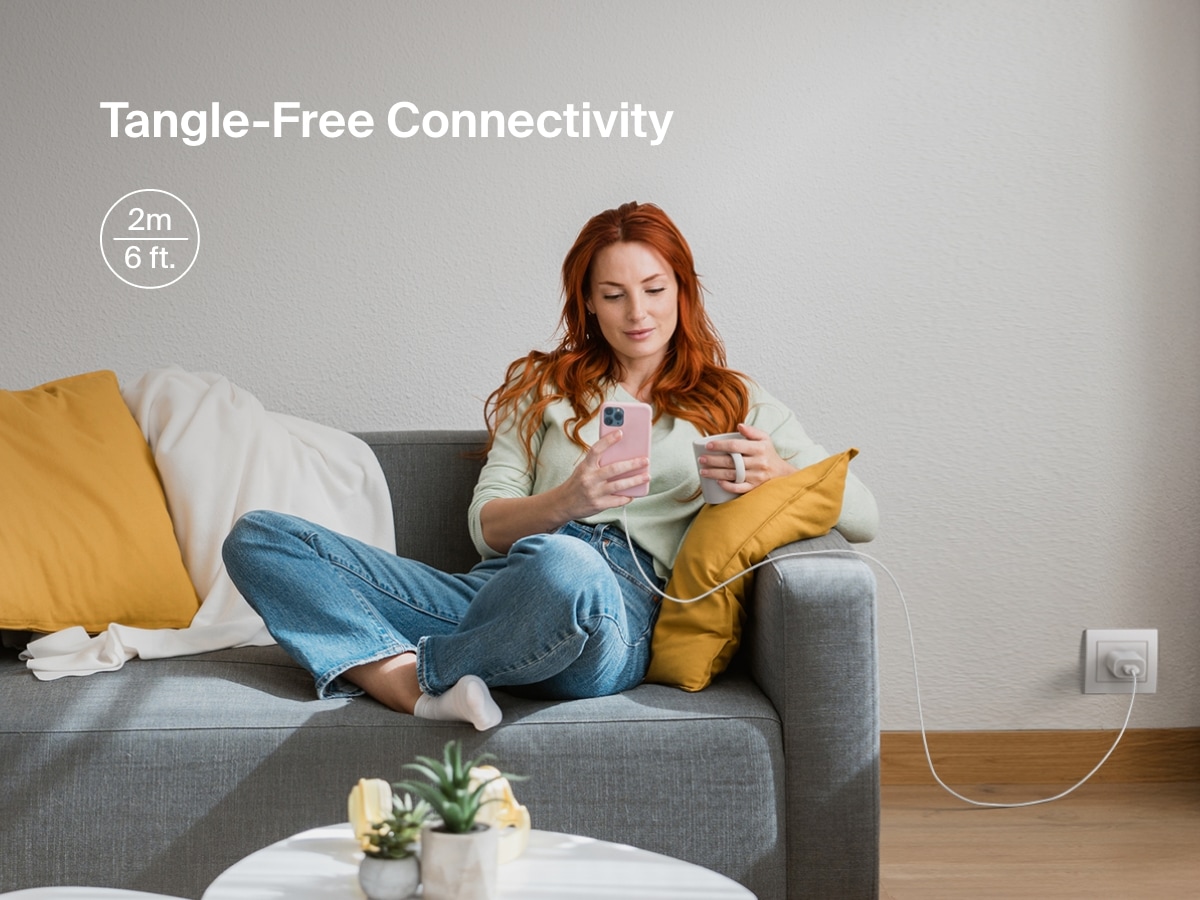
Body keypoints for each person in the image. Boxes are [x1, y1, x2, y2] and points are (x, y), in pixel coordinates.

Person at [221, 201, 878, 731]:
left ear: (683, 290)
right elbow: (486, 526)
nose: (638, 313)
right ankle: (414, 685)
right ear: (588, 302)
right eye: (614, 294)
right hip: (501, 592)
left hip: (616, 615)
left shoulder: (736, 398)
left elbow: (865, 515)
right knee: (259, 537)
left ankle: (411, 675)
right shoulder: (543, 387)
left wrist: (776, 475)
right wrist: (567, 502)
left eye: (655, 289)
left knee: (572, 567)